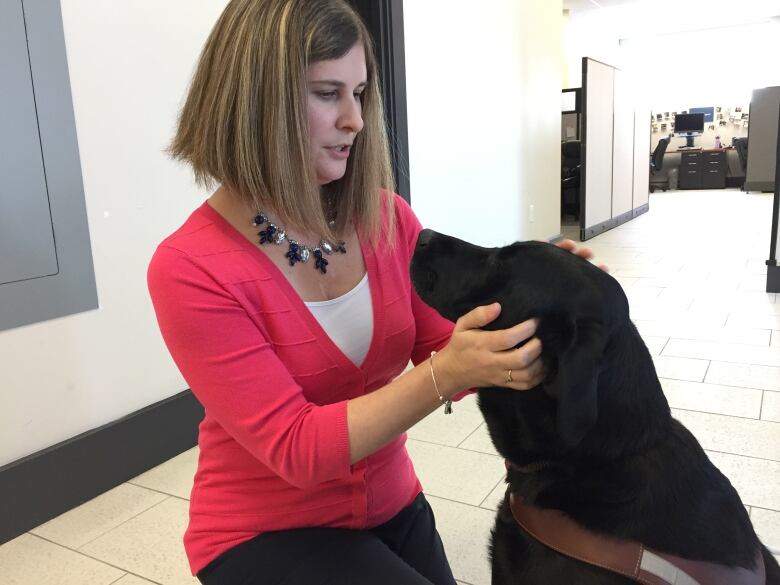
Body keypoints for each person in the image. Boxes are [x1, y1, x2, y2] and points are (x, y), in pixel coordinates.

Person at [148, 1, 598, 583]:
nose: (355, 119)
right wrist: (449, 373)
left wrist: (544, 305)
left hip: (391, 502)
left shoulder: (383, 218)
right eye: (327, 93)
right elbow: (298, 448)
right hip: (265, 531)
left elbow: (450, 346)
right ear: (255, 103)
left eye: (359, 93)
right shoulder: (190, 268)